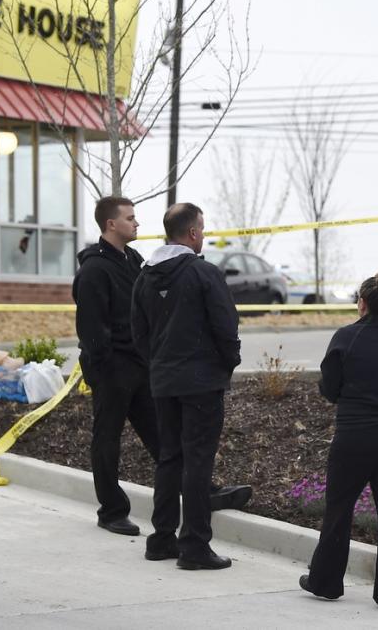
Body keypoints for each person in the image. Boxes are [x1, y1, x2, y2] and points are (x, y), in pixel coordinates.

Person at [74, 197, 250, 537]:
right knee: (107, 438)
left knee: (163, 441)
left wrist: (149, 357)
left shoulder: (136, 261)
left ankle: (198, 493)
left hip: (144, 367)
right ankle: (111, 510)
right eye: (130, 218)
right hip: (113, 369)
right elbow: (91, 329)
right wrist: (103, 367)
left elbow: (143, 317)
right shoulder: (94, 269)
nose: (137, 223)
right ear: (111, 224)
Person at [299, 269, 378, 612]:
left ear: (363, 303)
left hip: (354, 438)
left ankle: (324, 581)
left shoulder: (345, 338)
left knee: (339, 509)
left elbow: (329, 389)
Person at [132, 203, 242, 570]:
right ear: (192, 233)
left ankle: (162, 539)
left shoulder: (144, 276)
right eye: (203, 228)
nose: (204, 234)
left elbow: (139, 333)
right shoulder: (204, 273)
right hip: (201, 382)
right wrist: (228, 362)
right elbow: (226, 326)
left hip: (163, 380)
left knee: (170, 458)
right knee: (197, 461)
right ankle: (194, 545)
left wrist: (158, 364)